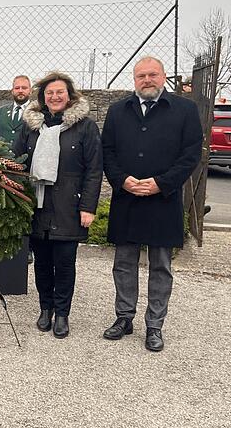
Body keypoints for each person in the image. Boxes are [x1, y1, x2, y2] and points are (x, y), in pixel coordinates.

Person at [101, 56, 202, 352]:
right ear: (134, 79)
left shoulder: (185, 110)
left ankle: (155, 324)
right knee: (123, 263)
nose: (147, 80)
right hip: (127, 198)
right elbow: (107, 152)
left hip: (164, 199)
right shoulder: (119, 110)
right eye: (141, 75)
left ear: (163, 76)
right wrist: (123, 180)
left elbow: (191, 153)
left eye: (152, 74)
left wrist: (162, 183)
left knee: (160, 265)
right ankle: (124, 317)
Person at [12, 71, 102, 339]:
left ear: (69, 95)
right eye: (49, 93)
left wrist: (88, 207)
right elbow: (17, 163)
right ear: (42, 97)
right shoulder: (30, 127)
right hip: (37, 204)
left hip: (68, 206)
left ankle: (62, 313)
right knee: (41, 262)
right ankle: (45, 308)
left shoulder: (85, 127)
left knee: (64, 263)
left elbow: (94, 170)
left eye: (59, 92)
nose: (54, 97)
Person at [0, 75, 31, 147]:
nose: (20, 91)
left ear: (30, 91)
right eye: (17, 88)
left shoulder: (36, 112)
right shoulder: (1, 111)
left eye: (24, 88)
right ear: (12, 91)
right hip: (2, 157)